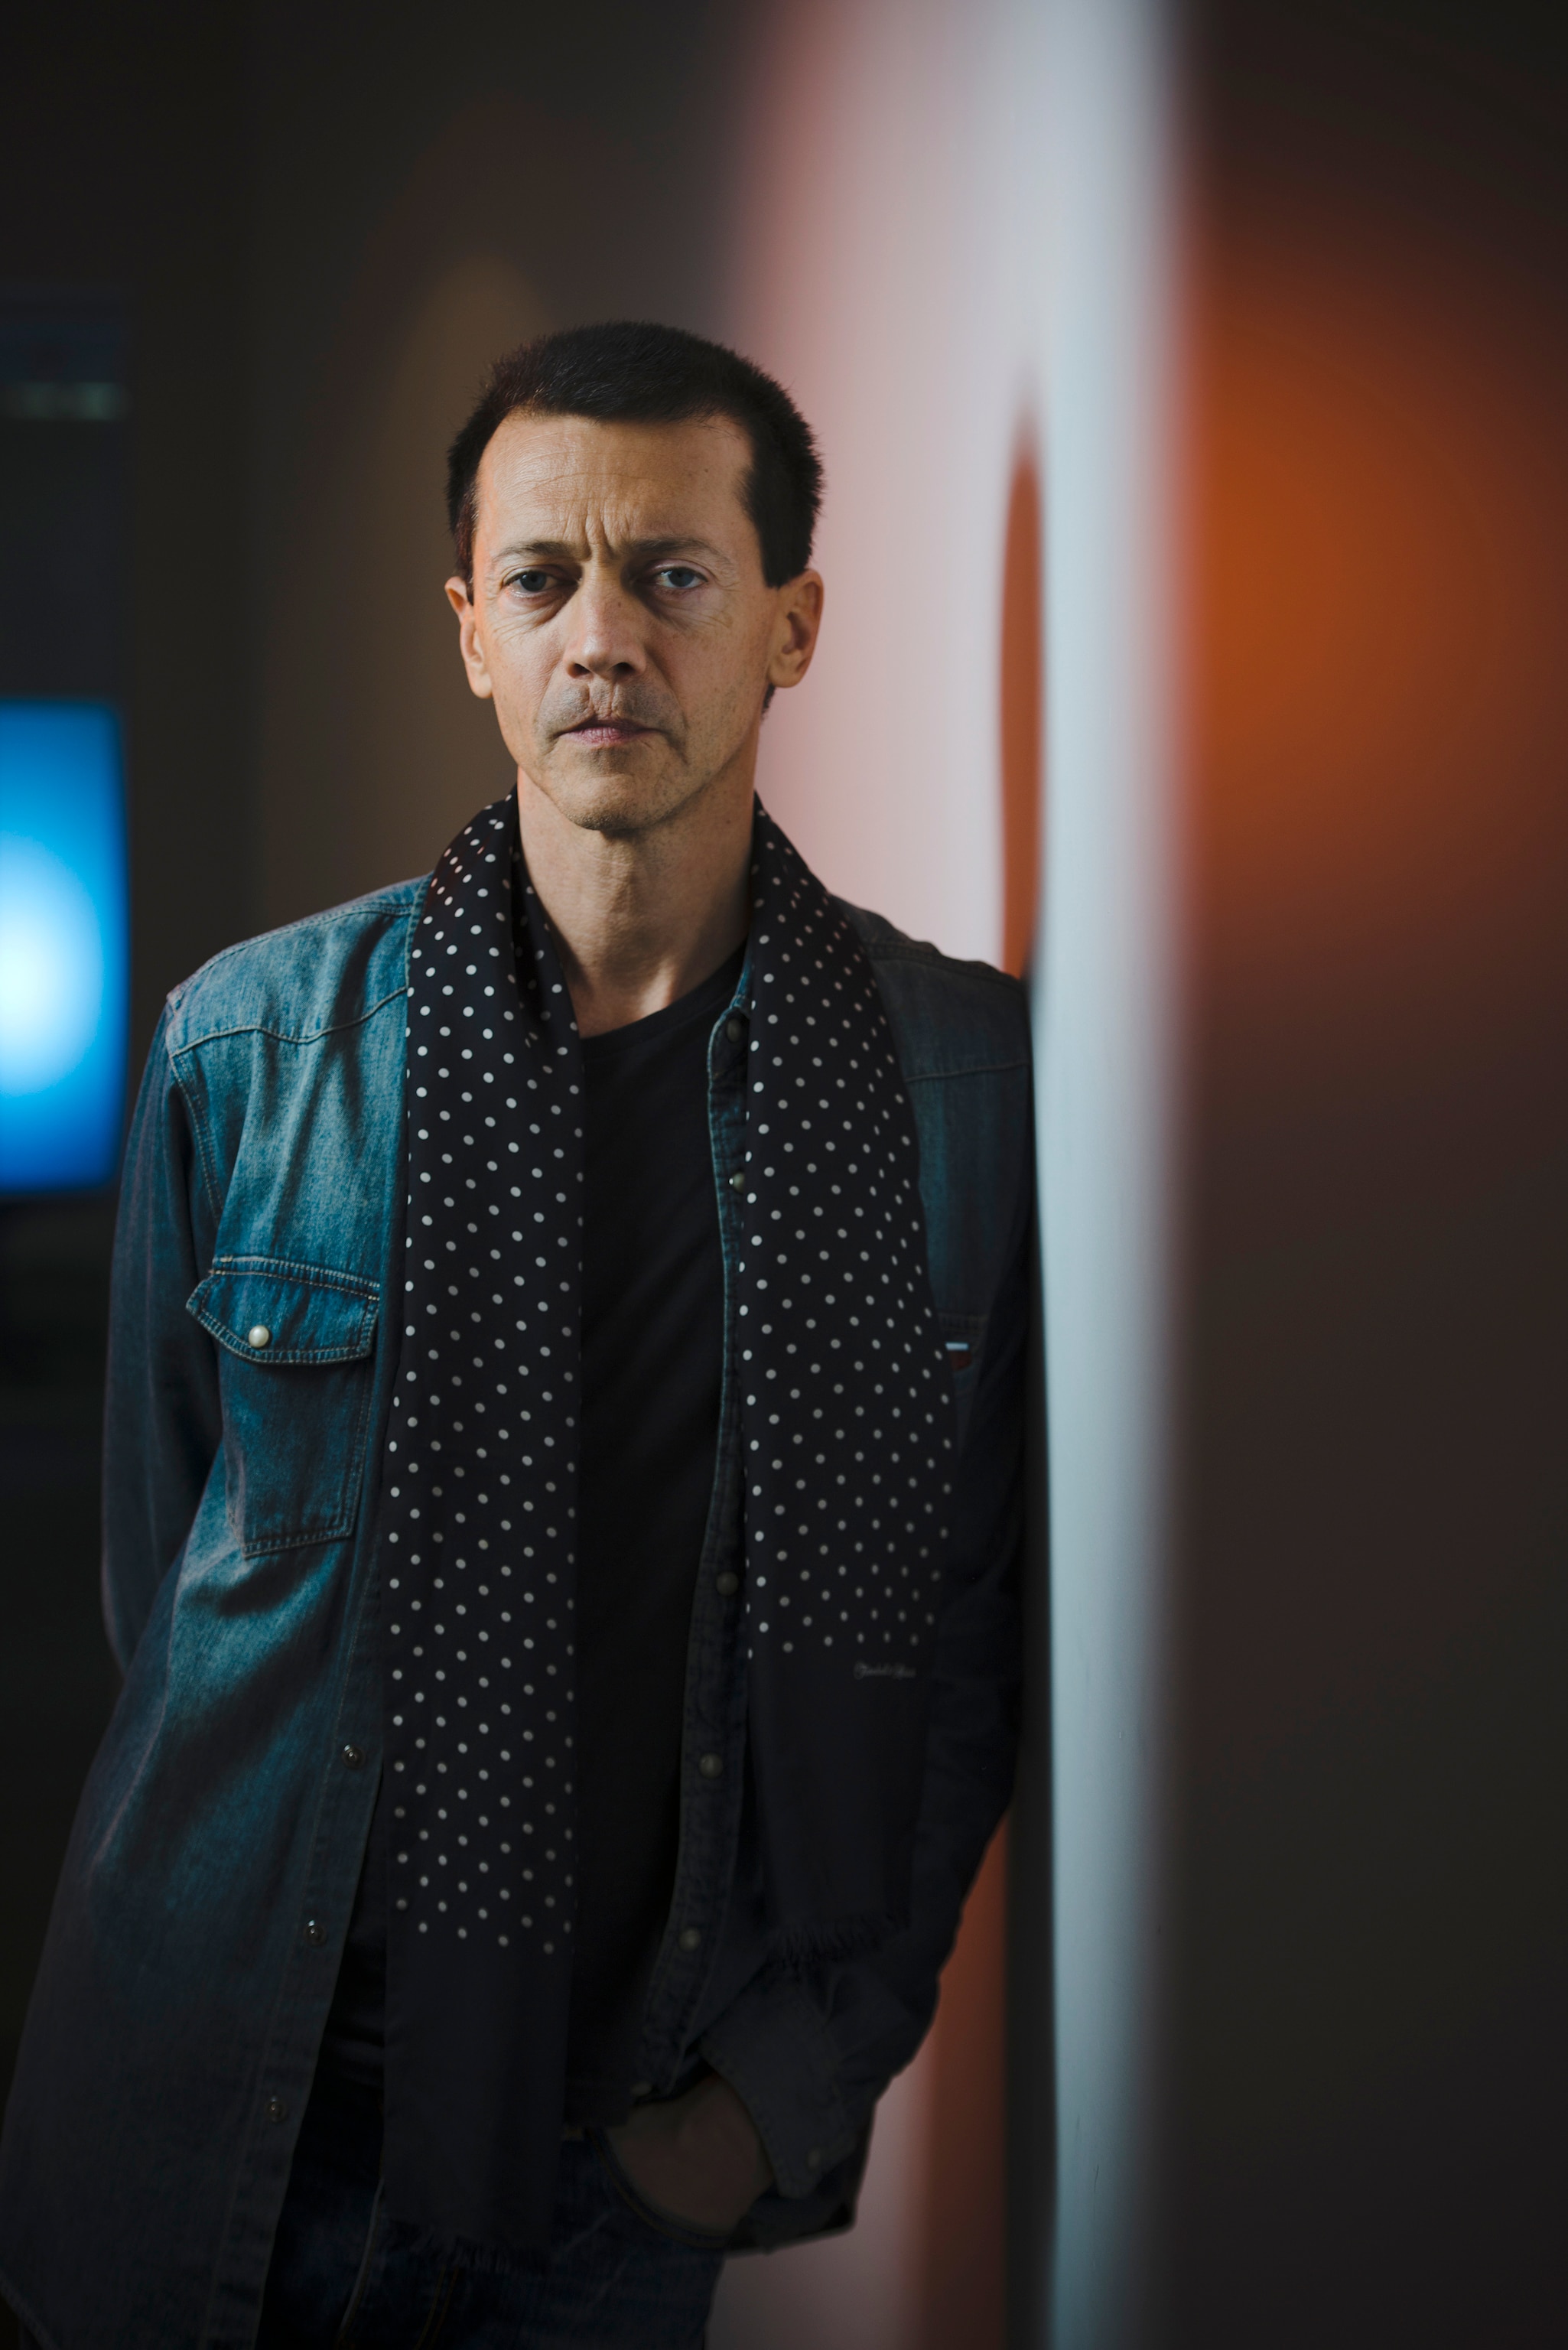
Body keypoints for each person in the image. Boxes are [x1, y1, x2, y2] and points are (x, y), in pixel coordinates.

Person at [0, 322, 1032, 2350]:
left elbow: (964, 1653)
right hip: (213, 2098)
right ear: (471, 630)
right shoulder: (246, 1050)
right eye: (542, 580)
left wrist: (766, 2108)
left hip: (615, 2175)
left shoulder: (958, 1095)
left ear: (791, 625)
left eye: (674, 575)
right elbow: (171, 1594)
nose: (602, 640)